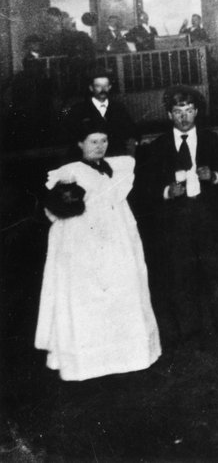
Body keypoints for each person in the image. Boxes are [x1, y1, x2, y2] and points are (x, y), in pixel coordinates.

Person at [35, 127, 162, 380]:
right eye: (93, 141)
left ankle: (127, 356)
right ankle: (89, 362)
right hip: (85, 241)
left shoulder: (117, 167)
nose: (99, 146)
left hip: (117, 236)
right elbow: (56, 208)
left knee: (123, 290)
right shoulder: (71, 171)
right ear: (80, 143)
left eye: (104, 140)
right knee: (89, 297)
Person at [133, 85, 218, 345]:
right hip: (175, 223)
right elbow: (143, 189)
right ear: (169, 114)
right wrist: (166, 192)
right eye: (178, 111)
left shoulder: (215, 141)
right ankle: (190, 331)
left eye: (189, 110)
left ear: (197, 112)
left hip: (210, 219)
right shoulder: (155, 148)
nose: (184, 117)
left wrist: (214, 176)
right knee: (181, 278)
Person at [59, 69, 137, 152]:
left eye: (105, 86)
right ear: (91, 88)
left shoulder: (119, 108)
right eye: (98, 86)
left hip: (115, 156)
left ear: (109, 87)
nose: (103, 90)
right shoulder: (79, 110)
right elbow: (71, 136)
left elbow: (132, 131)